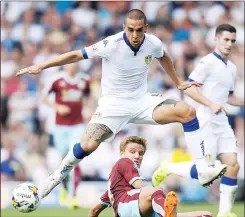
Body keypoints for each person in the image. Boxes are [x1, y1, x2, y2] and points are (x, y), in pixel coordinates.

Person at [16, 9, 227, 200]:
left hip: (142, 100)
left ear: (146, 28)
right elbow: (75, 55)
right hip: (113, 106)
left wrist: (178, 82)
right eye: (130, 30)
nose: (134, 35)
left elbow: (164, 57)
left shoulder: (153, 43)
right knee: (87, 146)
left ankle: (202, 167)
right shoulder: (111, 44)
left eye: (138, 30)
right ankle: (54, 179)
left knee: (187, 111)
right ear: (123, 27)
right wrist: (42, 66)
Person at [152, 24, 244, 217]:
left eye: (232, 41)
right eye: (226, 39)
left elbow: (228, 97)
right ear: (216, 40)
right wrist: (210, 103)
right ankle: (168, 167)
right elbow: (189, 88)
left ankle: (225, 212)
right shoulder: (207, 63)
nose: (229, 44)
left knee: (233, 165)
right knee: (205, 175)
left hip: (221, 120)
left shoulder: (232, 68)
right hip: (205, 119)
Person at [88, 136, 213, 217]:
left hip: (134, 211)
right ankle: (166, 214)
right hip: (129, 208)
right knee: (157, 190)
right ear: (122, 154)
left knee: (204, 215)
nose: (137, 156)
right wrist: (155, 192)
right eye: (132, 152)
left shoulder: (113, 188)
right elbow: (140, 187)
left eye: (141, 153)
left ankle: (168, 214)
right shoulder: (124, 162)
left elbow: (94, 210)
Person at [42, 62, 90, 208]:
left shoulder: (84, 80)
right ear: (65, 66)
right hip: (60, 127)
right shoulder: (56, 80)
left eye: (75, 63)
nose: (72, 65)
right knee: (63, 160)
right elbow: (44, 97)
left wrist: (89, 109)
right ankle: (64, 189)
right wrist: (58, 107)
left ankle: (74, 196)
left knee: (74, 158)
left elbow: (88, 97)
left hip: (78, 126)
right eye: (69, 63)